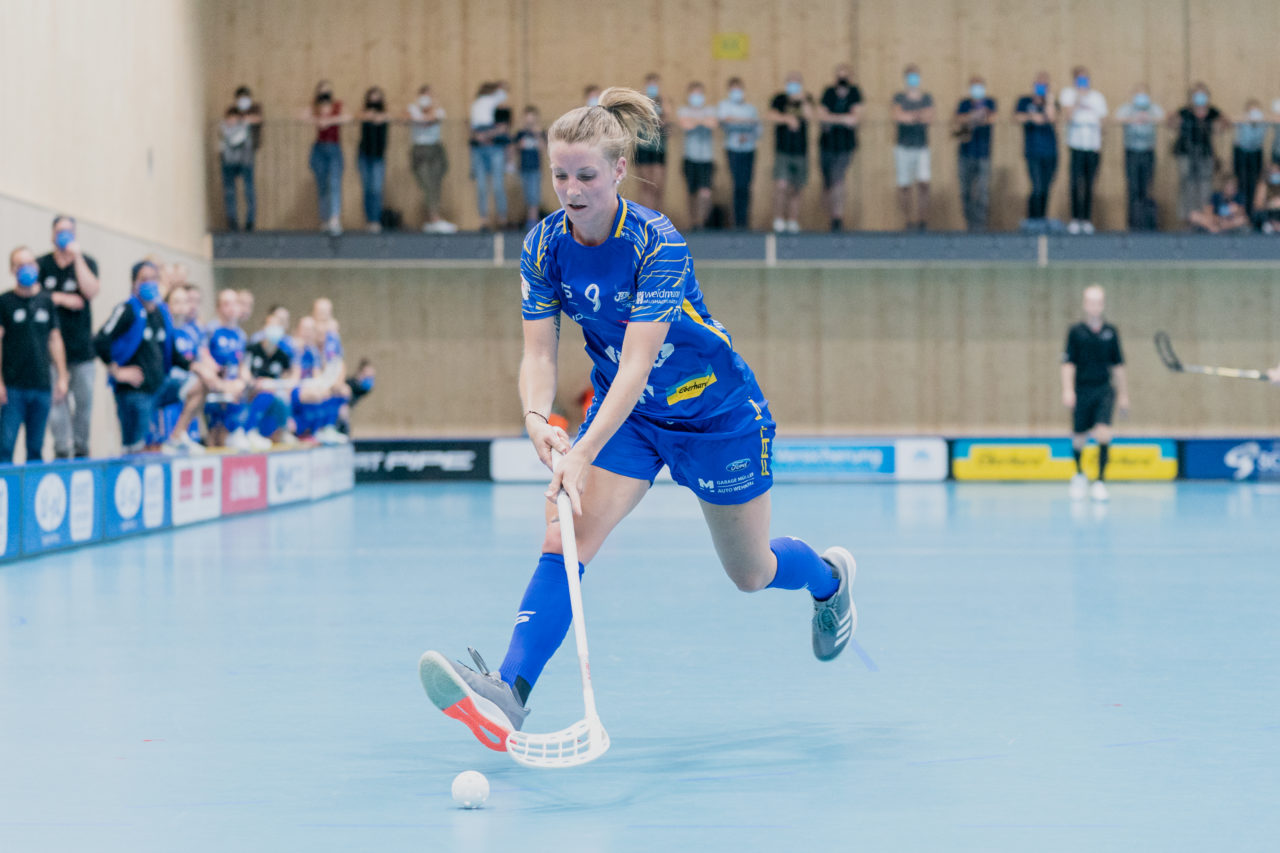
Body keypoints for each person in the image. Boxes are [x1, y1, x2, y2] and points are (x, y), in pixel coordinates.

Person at [416, 87, 858, 750]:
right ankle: (511, 692)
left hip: (716, 416)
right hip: (632, 422)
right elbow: (539, 351)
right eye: (560, 175)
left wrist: (577, 449)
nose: (570, 189)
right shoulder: (542, 246)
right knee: (566, 537)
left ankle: (830, 579)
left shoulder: (658, 242)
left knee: (751, 572)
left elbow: (636, 364)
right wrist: (538, 416)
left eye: (586, 175)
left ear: (618, 171)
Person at [94, 261, 207, 454]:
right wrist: (117, 371)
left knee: (199, 385)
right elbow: (100, 340)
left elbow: (172, 353)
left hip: (160, 387)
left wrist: (196, 367)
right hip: (135, 392)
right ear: (134, 284)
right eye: (144, 279)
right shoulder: (127, 309)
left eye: (154, 279)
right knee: (136, 450)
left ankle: (177, 435)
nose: (149, 284)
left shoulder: (162, 313)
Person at [37, 215, 99, 459]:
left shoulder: (86, 262)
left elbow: (91, 291)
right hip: (50, 351)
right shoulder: (42, 264)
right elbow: (37, 297)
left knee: (83, 405)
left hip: (82, 350)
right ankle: (62, 450)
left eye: (69, 231)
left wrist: (78, 257)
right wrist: (62, 298)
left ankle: (82, 448)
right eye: (59, 231)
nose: (64, 235)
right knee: (57, 404)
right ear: (52, 235)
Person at [0, 247, 68, 464]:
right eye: (20, 265)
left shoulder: (46, 301)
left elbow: (55, 339)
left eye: (30, 263)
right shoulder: (5, 302)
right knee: (5, 446)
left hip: (41, 386)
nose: (26, 269)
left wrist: (63, 376)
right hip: (12, 388)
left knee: (36, 448)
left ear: (36, 267)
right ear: (12, 269)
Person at [1062, 284, 1127, 502]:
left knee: (1103, 432)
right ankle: (1079, 474)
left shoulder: (1111, 332)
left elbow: (1118, 365)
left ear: (1103, 304)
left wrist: (1124, 395)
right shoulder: (1075, 332)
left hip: (1104, 389)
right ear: (1085, 304)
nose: (1094, 306)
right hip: (1082, 389)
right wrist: (1067, 390)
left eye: (1098, 302)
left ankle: (1099, 481)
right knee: (1079, 438)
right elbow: (1068, 363)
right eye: (1090, 302)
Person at [1058, 66, 1107, 234]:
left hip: (1092, 146)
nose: (1083, 82)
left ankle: (1086, 219)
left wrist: (1099, 144)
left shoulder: (1097, 97)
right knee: (1074, 182)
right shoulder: (1068, 95)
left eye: (1085, 78)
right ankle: (1075, 218)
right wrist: (1078, 97)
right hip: (1076, 145)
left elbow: (1103, 121)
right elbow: (1067, 116)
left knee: (1088, 183)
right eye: (1080, 79)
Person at [1169, 83, 1227, 225]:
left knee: (1204, 185)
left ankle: (1204, 218)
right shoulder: (1185, 112)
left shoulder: (1212, 112)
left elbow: (1226, 121)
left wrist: (1217, 126)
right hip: (1187, 153)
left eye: (1203, 95)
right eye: (1196, 95)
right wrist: (1176, 121)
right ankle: (1187, 217)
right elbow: (1170, 120)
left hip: (1205, 154)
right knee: (1187, 185)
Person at [817, 64, 863, 232]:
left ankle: (838, 217)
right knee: (828, 183)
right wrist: (843, 119)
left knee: (838, 178)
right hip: (827, 144)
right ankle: (830, 215)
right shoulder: (828, 93)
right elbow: (822, 116)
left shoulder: (855, 93)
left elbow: (855, 119)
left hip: (845, 146)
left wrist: (833, 119)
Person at [303, 80, 351, 235]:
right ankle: (324, 219)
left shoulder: (337, 105)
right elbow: (302, 115)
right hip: (319, 148)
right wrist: (317, 119)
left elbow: (348, 117)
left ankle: (334, 219)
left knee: (334, 183)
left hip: (333, 147)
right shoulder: (315, 106)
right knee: (323, 185)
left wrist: (329, 120)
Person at [1114, 85, 1164, 231]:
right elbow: (1117, 118)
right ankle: (1133, 224)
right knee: (1133, 188)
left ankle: (1145, 223)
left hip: (1148, 152)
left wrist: (1148, 117)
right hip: (1132, 152)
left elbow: (1163, 118)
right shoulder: (1128, 108)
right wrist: (1132, 119)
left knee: (1146, 188)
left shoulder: (1152, 108)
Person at [769, 72, 814, 233]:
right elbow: (771, 115)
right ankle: (778, 219)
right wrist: (786, 119)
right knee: (781, 185)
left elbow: (809, 116)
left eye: (797, 82)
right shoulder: (779, 99)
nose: (793, 85)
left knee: (797, 187)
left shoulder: (806, 99)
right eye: (791, 82)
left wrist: (802, 100)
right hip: (783, 149)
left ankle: (793, 220)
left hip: (800, 150)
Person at [891, 64, 935, 231]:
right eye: (910, 76)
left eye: (915, 76)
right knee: (904, 185)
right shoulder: (899, 98)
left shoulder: (926, 98)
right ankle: (908, 220)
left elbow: (929, 117)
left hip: (921, 146)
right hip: (903, 146)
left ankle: (922, 219)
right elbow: (898, 116)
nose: (913, 80)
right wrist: (918, 115)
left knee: (924, 182)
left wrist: (910, 116)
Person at [408, 85, 456, 233]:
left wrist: (426, 114)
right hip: (420, 149)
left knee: (435, 183)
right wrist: (419, 111)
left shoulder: (438, 110)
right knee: (427, 183)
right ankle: (434, 218)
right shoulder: (412, 108)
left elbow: (432, 118)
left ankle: (434, 217)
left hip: (435, 148)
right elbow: (407, 117)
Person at [1014, 72, 1059, 229]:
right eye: (1039, 84)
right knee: (1037, 186)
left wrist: (1049, 100)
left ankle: (1042, 218)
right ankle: (1033, 219)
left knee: (1046, 187)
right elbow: (1017, 117)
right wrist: (1032, 116)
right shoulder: (1025, 101)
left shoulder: (1051, 102)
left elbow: (1052, 117)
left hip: (1050, 152)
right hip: (1033, 151)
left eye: (1044, 85)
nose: (1041, 88)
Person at [952, 75, 997, 231]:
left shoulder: (990, 103)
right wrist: (974, 116)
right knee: (966, 191)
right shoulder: (964, 104)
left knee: (982, 192)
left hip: (983, 154)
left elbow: (990, 118)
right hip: (966, 153)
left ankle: (980, 225)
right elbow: (958, 120)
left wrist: (974, 118)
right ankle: (969, 225)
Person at [717, 76, 761, 230]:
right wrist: (746, 122)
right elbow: (725, 121)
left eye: (739, 89)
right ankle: (736, 221)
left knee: (746, 185)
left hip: (748, 149)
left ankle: (744, 220)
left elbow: (757, 128)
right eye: (734, 89)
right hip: (733, 150)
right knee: (737, 184)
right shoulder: (724, 105)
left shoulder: (750, 109)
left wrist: (742, 126)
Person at [219, 86, 262, 231]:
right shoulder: (231, 112)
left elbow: (257, 119)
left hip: (246, 159)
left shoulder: (254, 110)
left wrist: (242, 120)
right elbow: (225, 130)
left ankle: (250, 222)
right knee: (230, 191)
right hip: (230, 159)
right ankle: (232, 222)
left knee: (249, 190)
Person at [677, 81, 717, 230]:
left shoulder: (710, 110)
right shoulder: (683, 110)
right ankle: (693, 222)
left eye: (699, 94)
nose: (697, 97)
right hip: (690, 158)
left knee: (705, 193)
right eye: (694, 94)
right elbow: (685, 125)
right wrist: (701, 121)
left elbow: (712, 124)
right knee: (691, 193)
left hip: (706, 159)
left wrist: (695, 121)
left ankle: (701, 222)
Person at [470, 82, 509, 230]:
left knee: (498, 185)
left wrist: (486, 135)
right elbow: (473, 132)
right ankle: (483, 219)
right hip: (479, 150)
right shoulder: (477, 107)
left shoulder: (501, 110)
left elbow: (503, 128)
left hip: (495, 148)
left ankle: (502, 218)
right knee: (481, 186)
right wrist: (479, 137)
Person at [632, 73, 670, 211]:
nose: (652, 87)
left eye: (655, 84)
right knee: (645, 186)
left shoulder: (662, 102)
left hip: (658, 148)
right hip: (643, 148)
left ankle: (657, 216)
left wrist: (663, 100)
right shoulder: (639, 102)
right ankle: (644, 216)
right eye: (650, 84)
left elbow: (665, 120)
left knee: (658, 186)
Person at [357, 86, 391, 233]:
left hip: (378, 156)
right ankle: (369, 220)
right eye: (372, 97)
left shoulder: (385, 114)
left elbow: (387, 116)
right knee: (367, 188)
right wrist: (369, 115)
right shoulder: (364, 113)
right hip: (365, 154)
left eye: (377, 97)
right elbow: (359, 116)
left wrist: (378, 116)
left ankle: (376, 220)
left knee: (376, 189)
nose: (374, 100)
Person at [1233, 100, 1268, 219]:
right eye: (1252, 110)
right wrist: (1246, 118)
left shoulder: (1263, 121)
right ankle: (1242, 214)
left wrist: (1262, 118)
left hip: (1256, 154)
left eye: (1256, 110)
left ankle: (1252, 214)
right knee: (1242, 183)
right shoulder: (1242, 120)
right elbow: (1232, 119)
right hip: (1242, 153)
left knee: (1255, 183)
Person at [515, 106, 546, 231]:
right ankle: (529, 218)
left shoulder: (539, 133)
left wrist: (537, 134)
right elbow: (515, 147)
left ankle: (532, 220)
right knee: (527, 195)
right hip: (523, 167)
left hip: (535, 167)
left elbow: (543, 147)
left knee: (534, 194)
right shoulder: (521, 133)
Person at [1254, 160, 1280, 234]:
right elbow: (1258, 206)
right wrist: (1270, 204)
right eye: (1273, 171)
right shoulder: (1263, 185)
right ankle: (1273, 225)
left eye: (1277, 171)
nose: (1276, 173)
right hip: (1268, 216)